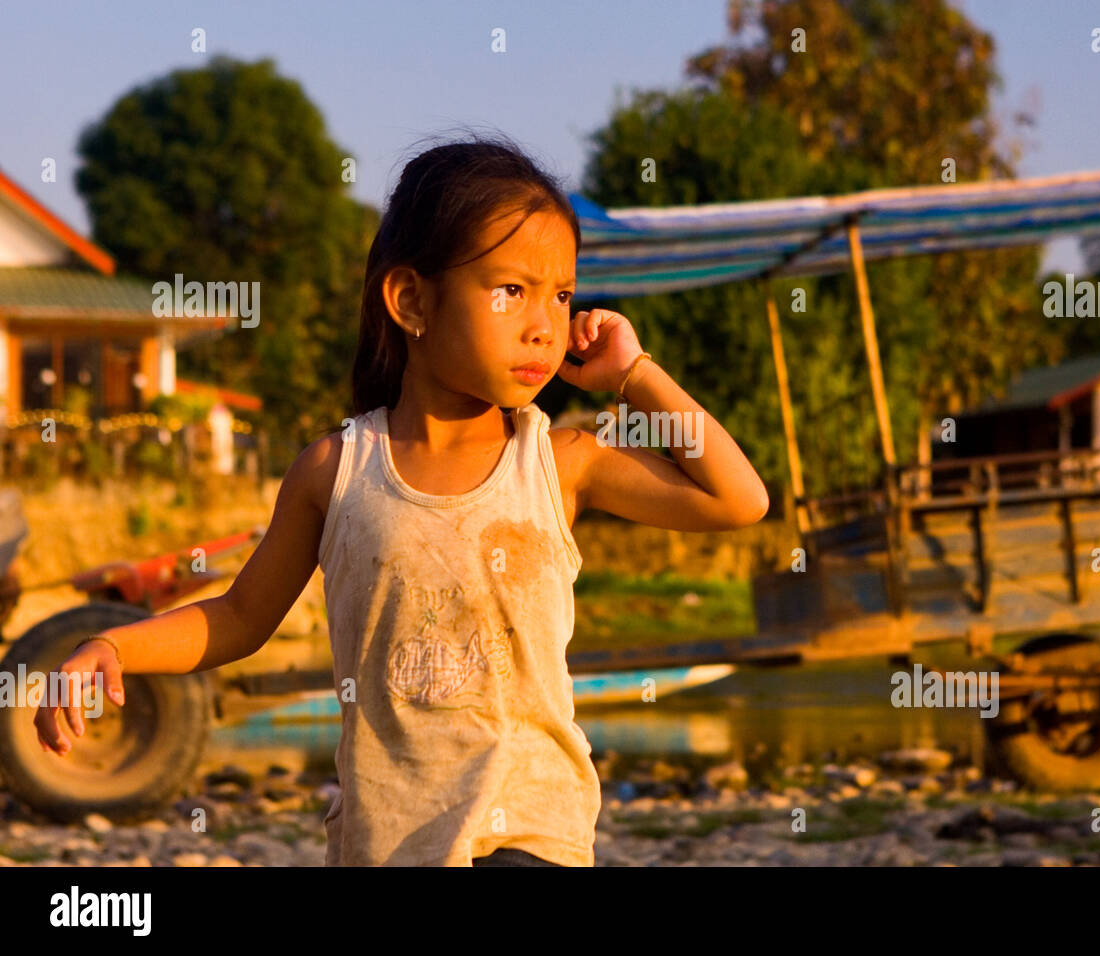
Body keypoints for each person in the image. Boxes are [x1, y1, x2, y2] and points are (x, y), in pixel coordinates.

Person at [32, 133, 769, 866]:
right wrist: (114, 644)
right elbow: (238, 617)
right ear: (411, 300)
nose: (546, 324)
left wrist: (634, 371)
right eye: (511, 290)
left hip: (534, 833)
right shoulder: (336, 471)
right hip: (390, 840)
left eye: (563, 294)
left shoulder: (559, 462)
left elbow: (738, 498)